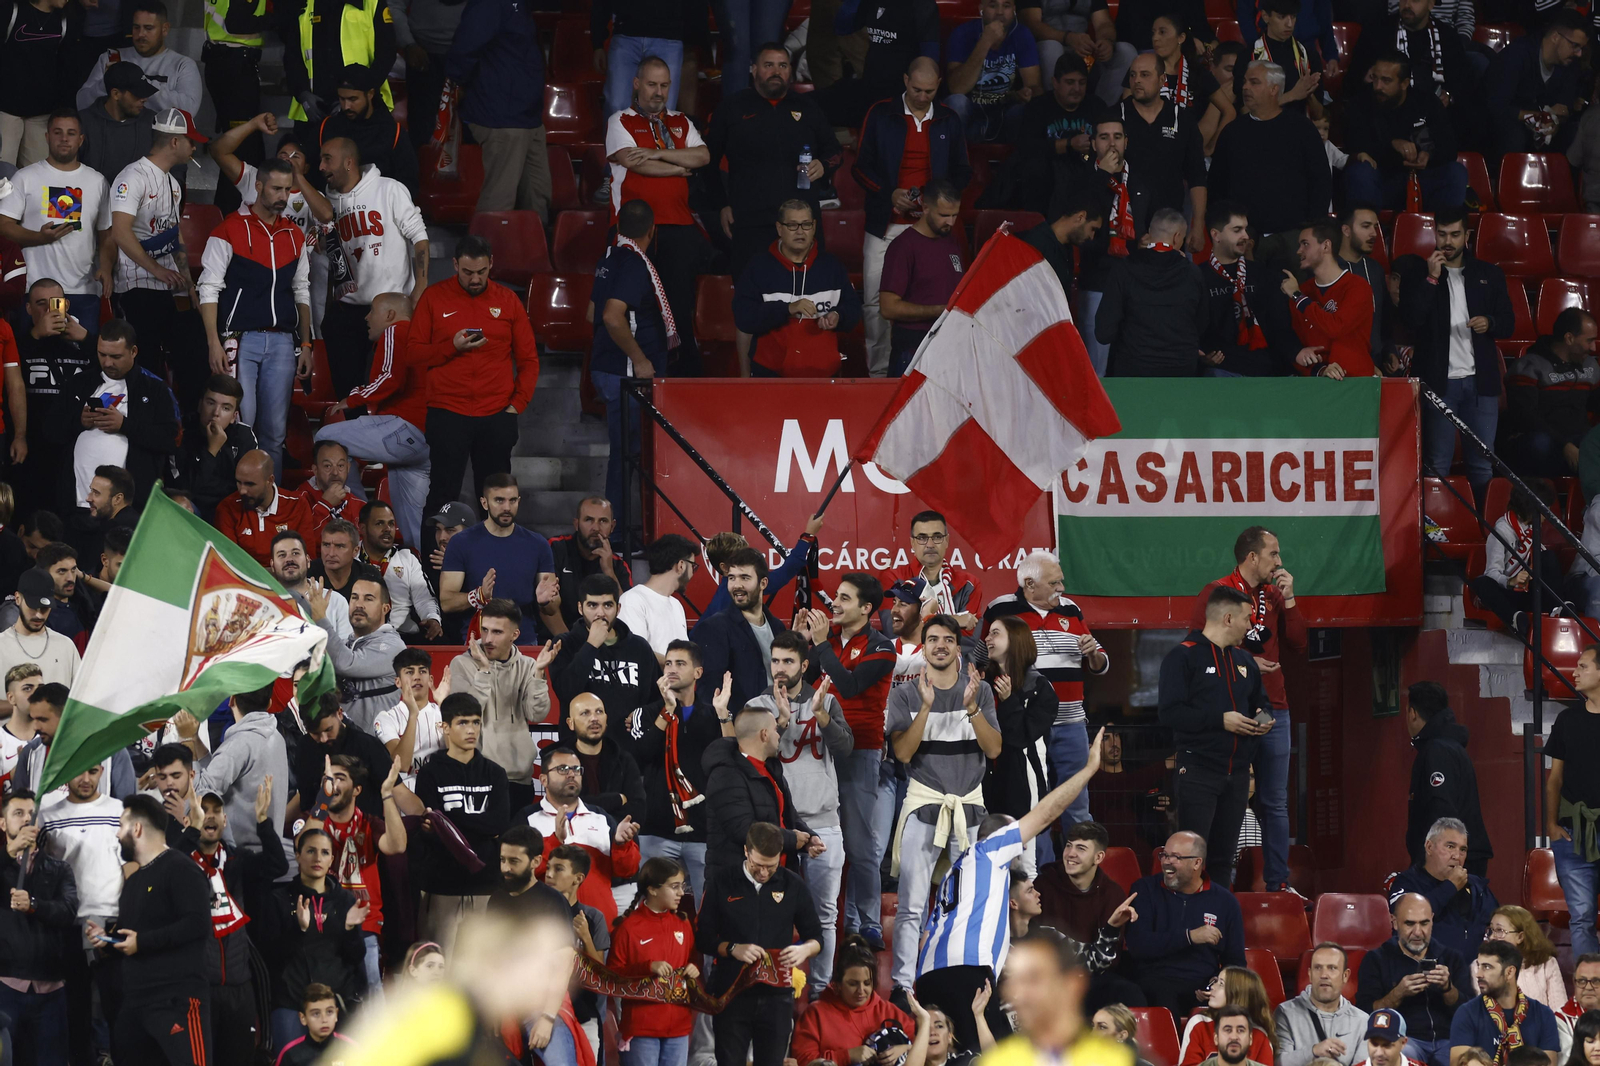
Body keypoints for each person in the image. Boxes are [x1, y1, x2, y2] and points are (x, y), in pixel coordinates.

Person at [914, 725, 1110, 1049]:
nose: (1022, 848)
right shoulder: (992, 849)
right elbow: (1047, 811)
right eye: (1019, 842)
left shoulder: (956, 873)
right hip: (967, 971)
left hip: (930, 975)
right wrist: (1087, 770)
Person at [885, 613, 1002, 998]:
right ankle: (904, 986)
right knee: (912, 906)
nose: (939, 645)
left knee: (967, 904)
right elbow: (902, 753)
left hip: (969, 807)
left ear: (957, 645)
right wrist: (925, 708)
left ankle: (961, 982)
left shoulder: (979, 690)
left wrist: (971, 708)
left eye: (947, 639)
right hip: (925, 805)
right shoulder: (905, 692)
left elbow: (994, 749)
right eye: (932, 639)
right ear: (923, 645)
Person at [1190, 528, 1304, 894]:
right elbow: (1196, 647)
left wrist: (1289, 601)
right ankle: (1213, 883)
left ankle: (1278, 884)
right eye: (1274, 553)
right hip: (1233, 710)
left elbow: (1299, 643)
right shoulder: (1218, 591)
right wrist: (1248, 662)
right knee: (1229, 797)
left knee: (1275, 800)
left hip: (1275, 708)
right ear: (1252, 557)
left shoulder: (1274, 594)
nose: (1279, 562)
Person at [744, 632, 850, 996]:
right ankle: (775, 989)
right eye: (775, 661)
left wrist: (820, 715)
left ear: (804, 665)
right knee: (771, 914)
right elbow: (752, 757)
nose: (780, 668)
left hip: (823, 823)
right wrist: (784, 721)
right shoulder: (758, 705)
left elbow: (846, 748)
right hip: (777, 827)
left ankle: (819, 992)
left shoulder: (827, 700)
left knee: (824, 915)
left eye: (788, 661)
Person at [196, 158, 313, 478]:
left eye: (287, 190)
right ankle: (237, 499)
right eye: (276, 188)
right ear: (258, 186)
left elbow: (302, 291)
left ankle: (267, 504)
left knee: (275, 433)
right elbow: (208, 289)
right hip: (240, 340)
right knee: (239, 427)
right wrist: (214, 342)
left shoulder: (294, 235)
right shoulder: (229, 228)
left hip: (282, 342)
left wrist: (306, 344)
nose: (282, 196)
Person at [855, 58, 970, 376]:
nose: (922, 97)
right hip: (885, 223)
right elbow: (860, 167)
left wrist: (936, 198)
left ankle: (934, 374)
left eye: (930, 91)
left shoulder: (949, 119)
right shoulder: (881, 113)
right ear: (905, 81)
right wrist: (889, 193)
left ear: (939, 85)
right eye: (917, 89)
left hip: (931, 228)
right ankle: (879, 376)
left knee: (936, 301)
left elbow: (963, 170)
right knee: (875, 304)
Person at [984, 550, 1107, 838]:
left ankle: (1076, 875)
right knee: (1029, 803)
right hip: (1024, 728)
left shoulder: (1072, 610)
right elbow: (981, 658)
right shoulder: (1000, 609)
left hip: (1070, 724)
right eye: (1054, 583)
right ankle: (1036, 875)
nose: (1061, 589)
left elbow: (1100, 662)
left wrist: (1094, 655)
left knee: (1076, 804)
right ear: (1029, 584)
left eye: (1060, 582)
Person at [1394, 204, 1511, 500]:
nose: (1448, 241)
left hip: (1481, 384)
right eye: (1442, 234)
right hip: (1438, 384)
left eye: (1455, 234)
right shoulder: (1419, 273)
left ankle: (1484, 533)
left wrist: (1490, 322)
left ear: (1467, 235)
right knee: (1437, 467)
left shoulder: (1489, 274)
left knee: (1483, 467)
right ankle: (1436, 534)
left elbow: (1509, 323)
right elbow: (1410, 322)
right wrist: (1431, 279)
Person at [602, 56, 710, 372]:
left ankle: (682, 383)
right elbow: (633, 161)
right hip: (633, 233)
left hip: (680, 228)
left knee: (679, 310)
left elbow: (702, 156)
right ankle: (637, 376)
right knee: (637, 309)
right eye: (652, 84)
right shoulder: (619, 121)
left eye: (664, 85)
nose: (658, 92)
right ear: (637, 84)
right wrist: (678, 167)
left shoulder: (682, 121)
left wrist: (659, 152)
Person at [90, 794, 214, 1066]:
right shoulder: (135, 882)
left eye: (121, 826)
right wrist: (106, 939)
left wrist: (142, 943)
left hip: (176, 1000)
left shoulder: (181, 869)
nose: (117, 835)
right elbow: (131, 937)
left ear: (137, 828)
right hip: (134, 1004)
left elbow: (197, 924)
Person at [1159, 586, 1269, 885]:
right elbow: (1169, 713)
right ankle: (1185, 923)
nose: (1251, 626)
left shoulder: (1246, 662)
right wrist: (1220, 720)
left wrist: (1264, 721)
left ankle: (1216, 921)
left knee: (1224, 857)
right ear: (1229, 618)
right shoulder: (1182, 657)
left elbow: (1263, 703)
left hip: (1237, 775)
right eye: (1248, 618)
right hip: (1198, 770)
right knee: (1192, 859)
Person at [706, 42, 841, 279]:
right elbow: (708, 160)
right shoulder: (732, 108)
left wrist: (823, 164)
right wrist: (721, 204)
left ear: (790, 70)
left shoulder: (808, 106)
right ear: (754, 69)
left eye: (782, 65)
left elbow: (835, 151)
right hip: (750, 220)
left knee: (806, 293)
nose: (776, 72)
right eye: (768, 65)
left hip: (801, 225)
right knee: (752, 295)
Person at [696, 821, 824, 1066]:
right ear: (746, 851)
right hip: (732, 992)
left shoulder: (793, 884)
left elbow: (817, 937)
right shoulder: (723, 881)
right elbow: (703, 937)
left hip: (777, 997)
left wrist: (805, 950)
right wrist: (733, 948)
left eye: (771, 866)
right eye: (758, 865)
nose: (764, 873)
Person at [106, 109, 209, 409]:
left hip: (168, 288)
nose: (194, 147)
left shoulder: (174, 184)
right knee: (147, 359)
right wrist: (156, 270)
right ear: (175, 142)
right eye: (191, 141)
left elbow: (176, 237)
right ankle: (147, 419)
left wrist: (188, 285)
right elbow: (120, 233)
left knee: (194, 351)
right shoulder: (131, 176)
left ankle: (189, 424)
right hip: (136, 286)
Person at [181, 777, 286, 1066]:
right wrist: (190, 827)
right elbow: (166, 865)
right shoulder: (180, 865)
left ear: (225, 821)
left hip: (239, 986)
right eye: (203, 809)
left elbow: (278, 865)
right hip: (200, 989)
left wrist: (263, 822)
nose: (210, 816)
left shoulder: (238, 862)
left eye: (216, 810)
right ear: (191, 818)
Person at [319, 137, 429, 398]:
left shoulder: (389, 189)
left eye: (327, 159)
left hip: (391, 310)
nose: (321, 166)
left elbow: (420, 238)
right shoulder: (325, 203)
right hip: (347, 309)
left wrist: (422, 287)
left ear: (348, 162)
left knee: (394, 388)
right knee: (347, 389)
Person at [300, 754, 406, 1005]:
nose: (333, 785)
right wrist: (322, 801)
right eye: (328, 779)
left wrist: (387, 794)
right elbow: (303, 847)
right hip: (322, 922)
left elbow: (398, 845)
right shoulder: (315, 818)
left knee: (372, 996)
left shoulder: (370, 824)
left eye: (340, 778)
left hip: (365, 925)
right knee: (322, 998)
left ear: (357, 789)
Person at [589, 199, 672, 517]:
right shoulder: (635, 264)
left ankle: (622, 530)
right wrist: (638, 358)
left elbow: (591, 313)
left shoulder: (608, 257)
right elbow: (611, 316)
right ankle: (620, 533)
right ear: (653, 230)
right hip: (626, 373)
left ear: (619, 227)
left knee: (626, 454)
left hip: (610, 367)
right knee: (626, 456)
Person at [1206, 63, 1330, 273]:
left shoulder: (1301, 129)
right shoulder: (1232, 133)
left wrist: (1311, 230)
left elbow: (1321, 181)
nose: (1245, 87)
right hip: (1245, 238)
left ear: (1274, 89)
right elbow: (1217, 185)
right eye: (1245, 82)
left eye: (1254, 82)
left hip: (1294, 238)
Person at [412, 692, 510, 953]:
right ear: (445, 727)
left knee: (484, 973)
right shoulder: (430, 773)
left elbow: (498, 824)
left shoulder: (495, 773)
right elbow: (432, 831)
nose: (472, 730)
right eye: (463, 722)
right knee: (437, 971)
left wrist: (449, 819)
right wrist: (478, 826)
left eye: (476, 722)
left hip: (487, 886)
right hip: (442, 886)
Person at [626, 639, 722, 899]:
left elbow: (728, 760)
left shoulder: (714, 715)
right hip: (656, 829)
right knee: (648, 907)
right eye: (668, 663)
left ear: (698, 672)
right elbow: (641, 756)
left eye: (680, 663)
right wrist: (667, 711)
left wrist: (724, 716)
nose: (671, 669)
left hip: (702, 829)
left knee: (709, 911)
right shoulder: (645, 714)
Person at [0, 109, 112, 332]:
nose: (64, 138)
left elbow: (106, 233)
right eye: (58, 132)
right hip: (34, 290)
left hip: (82, 291)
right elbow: (3, 226)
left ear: (81, 139)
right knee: (34, 362)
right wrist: (38, 237)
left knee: (80, 362)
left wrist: (106, 267)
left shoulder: (98, 181)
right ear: (47, 136)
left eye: (71, 133)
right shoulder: (25, 177)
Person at [54, 318, 181, 508]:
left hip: (130, 506)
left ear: (133, 352)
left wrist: (124, 425)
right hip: (77, 504)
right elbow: (51, 431)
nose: (107, 362)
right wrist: (79, 422)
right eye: (102, 354)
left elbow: (168, 440)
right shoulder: (78, 383)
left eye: (116, 357)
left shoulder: (155, 389)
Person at [260, 827, 368, 1050]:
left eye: (325, 852)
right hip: (292, 1004)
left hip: (336, 1006)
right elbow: (271, 957)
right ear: (297, 855)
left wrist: (349, 929)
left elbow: (356, 957)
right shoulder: (278, 899)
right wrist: (298, 929)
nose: (318, 858)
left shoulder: (345, 901)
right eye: (310, 851)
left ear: (331, 860)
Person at [1124, 829, 1246, 1020]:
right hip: (1154, 980)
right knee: (1159, 994)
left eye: (1176, 857)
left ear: (1197, 863)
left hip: (1201, 983)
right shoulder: (1144, 890)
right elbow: (1138, 944)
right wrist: (1189, 936)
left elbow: (1236, 961)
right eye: (1164, 855)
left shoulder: (1226, 902)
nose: (1166, 862)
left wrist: (1217, 982)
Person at [733, 198, 862, 378]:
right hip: (771, 375)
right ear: (779, 229)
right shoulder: (758, 267)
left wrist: (839, 316)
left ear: (814, 226)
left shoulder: (832, 267)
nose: (800, 231)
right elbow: (744, 318)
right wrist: (787, 309)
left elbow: (854, 310)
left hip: (824, 375)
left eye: (806, 224)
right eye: (792, 225)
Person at [445, 0, 549, 216]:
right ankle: (482, 250)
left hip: (529, 114)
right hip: (501, 115)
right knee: (499, 201)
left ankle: (533, 249)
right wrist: (459, 83)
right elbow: (464, 49)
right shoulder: (488, 4)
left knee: (538, 199)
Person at [518, 744, 641, 922]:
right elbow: (519, 872)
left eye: (576, 769)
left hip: (598, 926)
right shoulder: (527, 819)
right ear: (543, 779)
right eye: (562, 769)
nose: (571, 774)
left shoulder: (601, 818)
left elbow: (627, 871)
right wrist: (555, 841)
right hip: (546, 927)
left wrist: (621, 845)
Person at [0, 787, 76, 1066]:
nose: (26, 820)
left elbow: (68, 911)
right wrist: (9, 853)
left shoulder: (58, 868)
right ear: (3, 822)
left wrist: (34, 904)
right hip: (6, 986)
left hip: (50, 987)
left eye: (32, 814)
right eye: (18, 813)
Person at [980, 930, 1135, 1066]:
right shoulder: (997, 1062)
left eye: (1033, 979)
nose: (1019, 994)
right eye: (1013, 983)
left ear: (1072, 985)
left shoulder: (1118, 1061)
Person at [437, 473, 558, 643]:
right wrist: (479, 595)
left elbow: (553, 608)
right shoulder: (461, 543)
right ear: (484, 503)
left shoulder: (538, 544)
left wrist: (545, 602)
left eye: (513, 500)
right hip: (479, 644)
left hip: (524, 644)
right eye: (499, 500)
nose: (507, 507)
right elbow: (447, 602)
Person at [1356, 894, 1472, 1066]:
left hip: (1448, 1040)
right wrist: (1398, 993)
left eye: (1424, 923)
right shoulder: (1376, 960)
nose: (1418, 932)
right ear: (1394, 922)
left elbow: (1468, 1012)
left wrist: (1448, 988)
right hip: (1406, 1040)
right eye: (1410, 923)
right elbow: (1366, 1013)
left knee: (1470, 1058)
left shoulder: (1451, 957)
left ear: (1432, 920)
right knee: (1402, 1055)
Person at [444, 599, 550, 784]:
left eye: (497, 632)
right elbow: (464, 714)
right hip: (477, 777)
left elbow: (538, 714)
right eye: (485, 630)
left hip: (519, 778)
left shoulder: (528, 666)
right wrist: (484, 672)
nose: (488, 639)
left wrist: (539, 675)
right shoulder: (462, 664)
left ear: (514, 634)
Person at [606, 856, 698, 1066]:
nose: (681, 893)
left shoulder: (683, 924)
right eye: (674, 887)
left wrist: (694, 968)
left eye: (682, 886)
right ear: (653, 889)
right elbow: (612, 979)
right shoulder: (628, 928)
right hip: (641, 1029)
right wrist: (647, 967)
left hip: (678, 1028)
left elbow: (693, 960)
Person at [980, 616, 1055, 873]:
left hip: (1022, 781)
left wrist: (1009, 700)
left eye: (996, 633)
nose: (988, 639)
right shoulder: (981, 682)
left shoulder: (1040, 687)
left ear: (1016, 640)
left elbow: (1021, 736)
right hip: (984, 778)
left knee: (1025, 863)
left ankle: (1024, 913)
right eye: (988, 634)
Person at [1344, 51, 1464, 211]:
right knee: (1359, 171)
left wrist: (1429, 155)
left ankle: (1444, 231)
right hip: (1382, 178)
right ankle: (1369, 231)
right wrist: (1392, 144)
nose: (1378, 86)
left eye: (1386, 81)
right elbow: (1354, 145)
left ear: (1404, 83)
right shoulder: (1361, 103)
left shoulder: (1427, 102)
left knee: (1456, 172)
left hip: (1422, 178)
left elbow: (1449, 147)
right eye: (1375, 78)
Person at [1110, 51, 1208, 245]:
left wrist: (1197, 227)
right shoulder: (1114, 117)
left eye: (1145, 75)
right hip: (1123, 225)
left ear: (1162, 79)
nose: (1137, 80)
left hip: (1169, 225)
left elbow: (1197, 175)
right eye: (1133, 75)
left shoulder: (1182, 118)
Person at [1097, 208, 1207, 377]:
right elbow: (1202, 324)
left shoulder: (1123, 269)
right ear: (1177, 237)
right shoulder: (1193, 273)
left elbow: (1104, 332)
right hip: (1181, 373)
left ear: (1150, 233)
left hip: (1132, 371)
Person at [552, 574, 661, 734]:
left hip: (627, 752)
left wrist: (643, 715)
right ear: (580, 608)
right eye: (592, 605)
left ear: (618, 608)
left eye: (608, 605)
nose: (600, 613)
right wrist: (591, 646)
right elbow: (566, 692)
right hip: (579, 751)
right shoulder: (565, 644)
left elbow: (657, 699)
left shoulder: (639, 648)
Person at [1404, 681, 1492, 877]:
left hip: (1448, 867)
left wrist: (1443, 863)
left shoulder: (1436, 751)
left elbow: (1442, 809)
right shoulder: (1449, 747)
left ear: (1413, 713)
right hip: (1458, 860)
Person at [880, 178, 965, 376]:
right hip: (913, 351)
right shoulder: (903, 247)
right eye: (944, 215)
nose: (951, 222)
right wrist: (940, 311)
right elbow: (888, 306)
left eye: (955, 215)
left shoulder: (952, 242)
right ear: (925, 207)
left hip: (950, 347)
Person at [1200, 202, 1296, 377]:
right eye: (1237, 230)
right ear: (1216, 235)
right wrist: (1201, 357)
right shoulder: (1196, 276)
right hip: (1221, 371)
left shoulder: (1265, 275)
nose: (1245, 235)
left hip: (1266, 371)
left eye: (1245, 229)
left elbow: (1281, 328)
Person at [793, 934, 918, 1066]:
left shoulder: (887, 1010)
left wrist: (907, 1048)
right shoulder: (815, 1014)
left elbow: (925, 1042)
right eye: (853, 984)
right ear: (838, 984)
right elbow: (802, 1060)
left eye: (867, 983)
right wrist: (846, 1056)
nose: (861, 990)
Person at [193, 681, 289, 853]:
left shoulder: (239, 744)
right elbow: (219, 773)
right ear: (269, 703)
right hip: (271, 853)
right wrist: (195, 740)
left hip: (244, 859)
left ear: (231, 700)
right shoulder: (276, 737)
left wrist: (185, 740)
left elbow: (199, 796)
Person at [1505, 310, 1600, 481]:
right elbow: (1525, 417)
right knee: (1539, 444)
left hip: (1579, 441)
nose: (1594, 348)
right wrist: (1564, 444)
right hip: (1542, 442)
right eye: (1589, 341)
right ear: (1569, 338)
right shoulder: (1529, 365)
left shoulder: (1590, 365)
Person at [690, 547, 788, 712]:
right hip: (739, 730)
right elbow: (709, 694)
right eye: (731, 578)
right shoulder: (714, 628)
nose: (736, 586)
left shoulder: (778, 627)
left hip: (777, 726)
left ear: (763, 583)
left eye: (745, 578)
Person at [1548, 651, 1600, 959]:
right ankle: (1590, 998)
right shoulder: (1567, 719)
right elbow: (1554, 779)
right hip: (1572, 834)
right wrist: (1552, 826)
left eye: (1583, 666)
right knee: (1581, 919)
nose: (1575, 671)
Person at [1388, 817, 1497, 963]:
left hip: (1475, 976)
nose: (1457, 856)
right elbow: (1411, 918)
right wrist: (1450, 887)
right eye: (1450, 846)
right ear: (1429, 847)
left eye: (1463, 849)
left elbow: (1501, 919)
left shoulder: (1476, 887)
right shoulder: (1407, 883)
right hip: (1425, 974)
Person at [1281, 219, 1376, 380]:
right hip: (1317, 386)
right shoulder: (1302, 291)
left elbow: (1336, 327)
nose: (1298, 251)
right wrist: (1317, 369)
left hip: (1355, 383)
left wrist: (1298, 297)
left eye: (1305, 244)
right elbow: (1297, 347)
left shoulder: (1357, 286)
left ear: (1326, 246)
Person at [1485, 12, 1589, 157]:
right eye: (1575, 46)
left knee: (1575, 133)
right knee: (1513, 135)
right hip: (1507, 129)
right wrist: (1539, 116)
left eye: (1581, 48)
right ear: (1555, 37)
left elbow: (1564, 107)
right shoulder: (1517, 55)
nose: (1579, 54)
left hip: (1544, 131)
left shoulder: (1569, 65)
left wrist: (1556, 122)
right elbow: (1495, 107)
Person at [282, 0, 395, 128]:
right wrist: (302, 94)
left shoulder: (371, 3)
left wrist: (357, 96)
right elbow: (292, 56)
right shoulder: (305, 4)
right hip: (315, 109)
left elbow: (387, 54)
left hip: (363, 110)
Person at [76, 0, 200, 113]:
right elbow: (81, 103)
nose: (141, 34)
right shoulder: (112, 57)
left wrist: (141, 83)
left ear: (165, 29)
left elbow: (189, 110)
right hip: (116, 134)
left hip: (159, 135)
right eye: (136, 27)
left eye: (148, 28)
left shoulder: (182, 65)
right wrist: (108, 81)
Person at [945, 0, 1043, 142]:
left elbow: (1035, 87)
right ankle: (954, 160)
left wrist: (1025, 94)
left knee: (1028, 109)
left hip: (1006, 111)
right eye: (993, 5)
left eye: (1006, 6)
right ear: (981, 9)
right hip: (971, 111)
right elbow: (956, 88)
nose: (1000, 12)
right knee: (956, 102)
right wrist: (985, 41)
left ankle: (1019, 162)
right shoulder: (962, 33)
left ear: (1014, 9)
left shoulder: (1022, 34)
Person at [1449, 941, 1560, 1066]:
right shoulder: (1466, 1013)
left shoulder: (1543, 1014)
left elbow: (1549, 1064)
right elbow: (1459, 1063)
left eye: (1486, 967)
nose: (1478, 974)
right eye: (1479, 966)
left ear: (1509, 972)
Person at [312, 64, 417, 196]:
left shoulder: (392, 133)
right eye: (342, 99)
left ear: (370, 94)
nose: (346, 106)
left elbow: (408, 184)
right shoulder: (327, 128)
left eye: (353, 99)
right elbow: (313, 176)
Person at [292, 694, 397, 821]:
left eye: (328, 729)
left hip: (365, 833)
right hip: (320, 829)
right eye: (315, 733)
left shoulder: (367, 745)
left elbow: (399, 791)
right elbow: (305, 801)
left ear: (340, 713)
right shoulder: (304, 747)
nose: (323, 739)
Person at [172, 374, 257, 521]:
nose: (216, 413)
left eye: (226, 408)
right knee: (179, 503)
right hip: (195, 511)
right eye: (210, 403)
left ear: (233, 416)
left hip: (233, 512)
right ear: (200, 405)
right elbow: (187, 490)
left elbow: (249, 489)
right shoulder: (182, 434)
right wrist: (212, 450)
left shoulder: (244, 436)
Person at [1019, 0, 1131, 109]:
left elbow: (1103, 22)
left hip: (1083, 51)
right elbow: (1031, 24)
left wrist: (1106, 41)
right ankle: (1053, 114)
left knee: (1125, 52)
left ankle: (1099, 113)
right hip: (1048, 48)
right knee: (1051, 47)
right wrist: (1067, 38)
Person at [546, 498, 633, 635]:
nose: (596, 528)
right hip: (559, 640)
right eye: (588, 520)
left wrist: (608, 570)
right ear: (576, 524)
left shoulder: (618, 564)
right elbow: (546, 607)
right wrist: (569, 643)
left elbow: (626, 613)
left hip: (603, 643)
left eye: (603, 521)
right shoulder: (555, 549)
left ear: (612, 526)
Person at [889, 509, 985, 630]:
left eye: (937, 537)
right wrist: (954, 620)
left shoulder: (969, 584)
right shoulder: (894, 579)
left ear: (947, 541)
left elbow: (969, 638)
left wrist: (926, 620)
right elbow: (895, 631)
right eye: (922, 538)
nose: (930, 544)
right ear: (912, 543)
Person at [1279, 943, 1370, 1066]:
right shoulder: (1286, 1013)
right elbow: (1278, 1062)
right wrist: (1313, 1051)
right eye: (1318, 968)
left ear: (1345, 976)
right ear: (1310, 974)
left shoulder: (1363, 1021)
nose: (1324, 975)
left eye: (1332, 968)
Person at [1036, 820, 1125, 942]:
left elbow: (1111, 954)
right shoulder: (1042, 887)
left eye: (1081, 848)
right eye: (1068, 845)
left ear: (1098, 857)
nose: (1070, 854)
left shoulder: (1112, 895)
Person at [563, 691, 645, 819]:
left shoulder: (624, 760)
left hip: (617, 837)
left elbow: (638, 810)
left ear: (606, 718)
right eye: (585, 713)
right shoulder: (559, 762)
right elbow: (564, 806)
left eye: (599, 712)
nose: (594, 718)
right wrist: (616, 799)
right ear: (570, 723)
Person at [78, 64, 159, 186]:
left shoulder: (152, 122)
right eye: (137, 93)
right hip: (89, 201)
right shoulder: (82, 123)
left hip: (137, 203)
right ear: (116, 94)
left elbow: (170, 164)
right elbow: (64, 171)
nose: (144, 98)